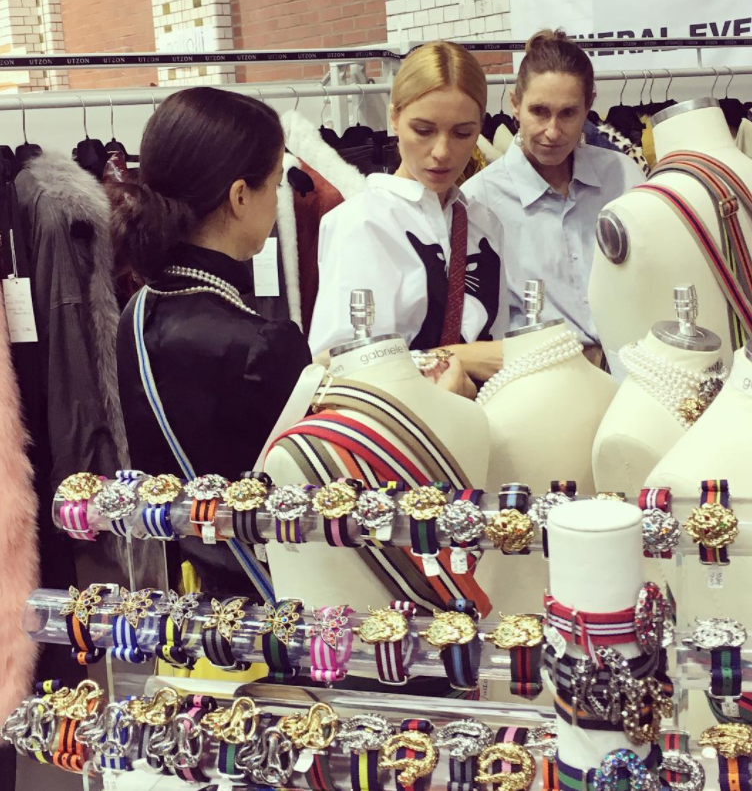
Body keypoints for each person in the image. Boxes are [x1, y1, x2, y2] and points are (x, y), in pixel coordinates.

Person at [113, 88, 311, 596]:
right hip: (273, 597)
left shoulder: (136, 313)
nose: (278, 200)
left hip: (188, 593)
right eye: (275, 184)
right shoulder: (264, 343)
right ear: (241, 196)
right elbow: (309, 500)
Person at [309, 41, 509, 382]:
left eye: (463, 133)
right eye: (423, 130)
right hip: (401, 414)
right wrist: (455, 358)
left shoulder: (483, 222)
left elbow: (496, 347)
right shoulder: (360, 223)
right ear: (394, 118)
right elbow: (337, 365)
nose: (442, 151)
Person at [463, 29, 645, 358]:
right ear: (515, 104)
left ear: (588, 106)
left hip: (636, 365)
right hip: (541, 373)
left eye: (568, 113)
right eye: (539, 111)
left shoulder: (622, 176)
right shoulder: (479, 201)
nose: (552, 131)